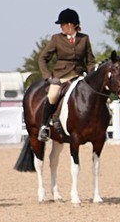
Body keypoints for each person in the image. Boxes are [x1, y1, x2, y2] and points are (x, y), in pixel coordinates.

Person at [36, 8, 95, 142]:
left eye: (62, 24)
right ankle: (44, 126)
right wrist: (49, 77)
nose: (61, 27)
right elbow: (42, 59)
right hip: (61, 76)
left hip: (79, 76)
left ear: (71, 24)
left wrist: (92, 74)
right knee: (52, 95)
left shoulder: (84, 39)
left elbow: (90, 60)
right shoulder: (56, 39)